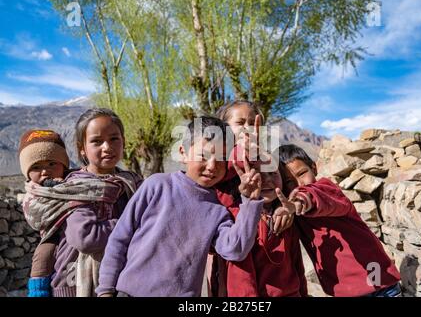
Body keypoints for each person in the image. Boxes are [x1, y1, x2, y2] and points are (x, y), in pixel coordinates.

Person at [96, 116, 264, 297]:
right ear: (183, 153)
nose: (212, 166)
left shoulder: (217, 210)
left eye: (221, 159)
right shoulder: (157, 185)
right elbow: (119, 239)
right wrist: (105, 290)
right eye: (203, 155)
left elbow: (235, 249)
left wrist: (250, 201)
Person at [277, 144, 402, 297]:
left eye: (302, 173)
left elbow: (313, 196)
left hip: (379, 285)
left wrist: (299, 202)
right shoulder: (293, 213)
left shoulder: (327, 190)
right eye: (289, 182)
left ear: (314, 168)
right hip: (345, 291)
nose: (298, 184)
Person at [210, 100, 306, 297]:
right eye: (240, 122)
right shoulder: (218, 170)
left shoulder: (266, 163)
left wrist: (289, 208)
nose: (248, 128)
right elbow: (232, 163)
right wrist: (245, 152)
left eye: (254, 123)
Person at [46, 108, 142, 297]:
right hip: (76, 284)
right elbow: (86, 237)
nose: (107, 147)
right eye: (97, 141)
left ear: (123, 141)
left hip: (120, 279)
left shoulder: (132, 182)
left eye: (114, 139)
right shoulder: (78, 187)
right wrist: (133, 224)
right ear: (82, 148)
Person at [19, 129, 70, 297]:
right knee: (43, 256)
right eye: (36, 167)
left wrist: (63, 187)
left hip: (79, 228)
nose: (45, 171)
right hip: (52, 234)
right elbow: (37, 217)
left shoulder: (76, 182)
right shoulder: (34, 192)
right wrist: (54, 189)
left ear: (64, 165)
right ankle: (38, 292)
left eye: (51, 164)